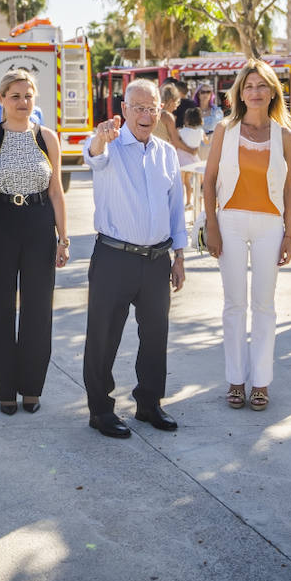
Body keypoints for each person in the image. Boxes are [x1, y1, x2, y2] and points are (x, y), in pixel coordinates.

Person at [82, 79, 188, 438]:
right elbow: (93, 155)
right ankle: (100, 410)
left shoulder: (165, 152)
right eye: (138, 107)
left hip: (157, 259)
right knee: (103, 336)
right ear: (124, 110)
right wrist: (100, 138)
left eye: (151, 107)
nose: (145, 114)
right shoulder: (110, 145)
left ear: (160, 110)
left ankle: (149, 404)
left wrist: (179, 257)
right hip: (114, 258)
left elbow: (176, 208)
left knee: (156, 335)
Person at [0, 70, 70, 415]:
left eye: (28, 96)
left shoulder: (48, 138)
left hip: (40, 224)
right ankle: (5, 393)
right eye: (15, 96)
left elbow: (56, 192)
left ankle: (31, 389)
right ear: (1, 100)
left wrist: (64, 239)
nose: (23, 103)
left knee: (38, 310)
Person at [202, 60, 291, 411]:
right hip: (229, 221)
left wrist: (289, 234)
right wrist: (211, 224)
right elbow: (209, 179)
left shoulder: (284, 134)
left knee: (264, 305)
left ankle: (261, 382)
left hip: (270, 224)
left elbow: (289, 186)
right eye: (248, 86)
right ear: (239, 93)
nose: (254, 92)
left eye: (261, 86)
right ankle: (236, 380)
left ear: (272, 91)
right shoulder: (225, 129)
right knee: (234, 305)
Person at [177, 106, 206, 207]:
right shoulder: (200, 132)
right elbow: (205, 141)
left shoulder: (181, 131)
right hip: (193, 160)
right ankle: (189, 202)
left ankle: (182, 203)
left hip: (181, 160)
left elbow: (176, 141)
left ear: (186, 119)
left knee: (181, 183)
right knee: (188, 182)